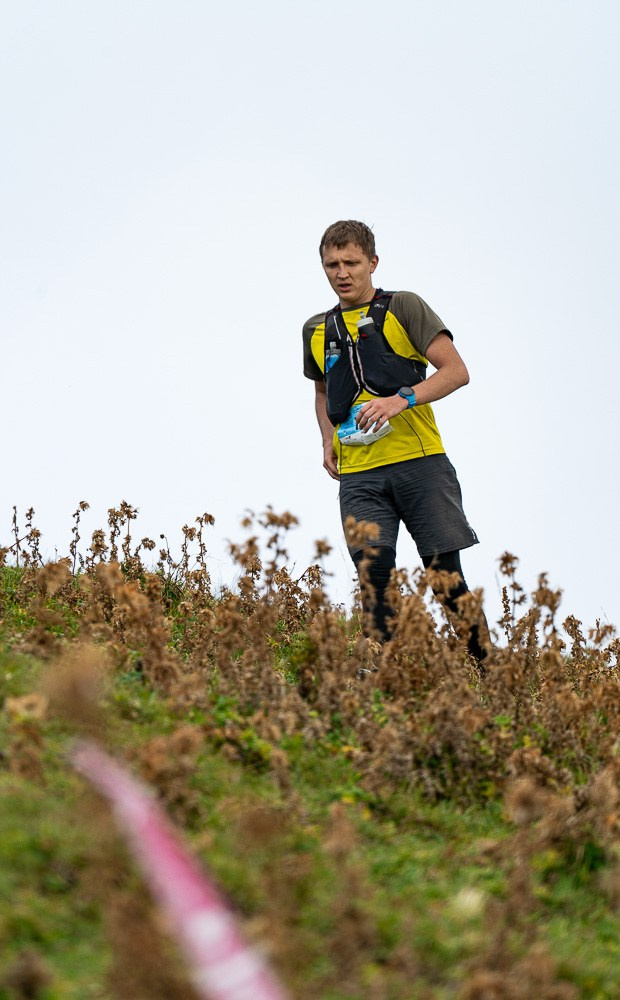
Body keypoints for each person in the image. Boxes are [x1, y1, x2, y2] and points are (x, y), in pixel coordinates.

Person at [302, 219, 489, 664]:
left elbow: (456, 371)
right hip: (359, 476)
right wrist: (327, 439)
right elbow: (322, 390)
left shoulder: (404, 306)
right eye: (331, 265)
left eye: (351, 262)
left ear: (373, 262)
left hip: (421, 463)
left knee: (445, 578)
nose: (341, 273)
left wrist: (399, 400)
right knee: (373, 574)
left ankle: (490, 672)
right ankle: (378, 677)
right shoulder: (315, 328)